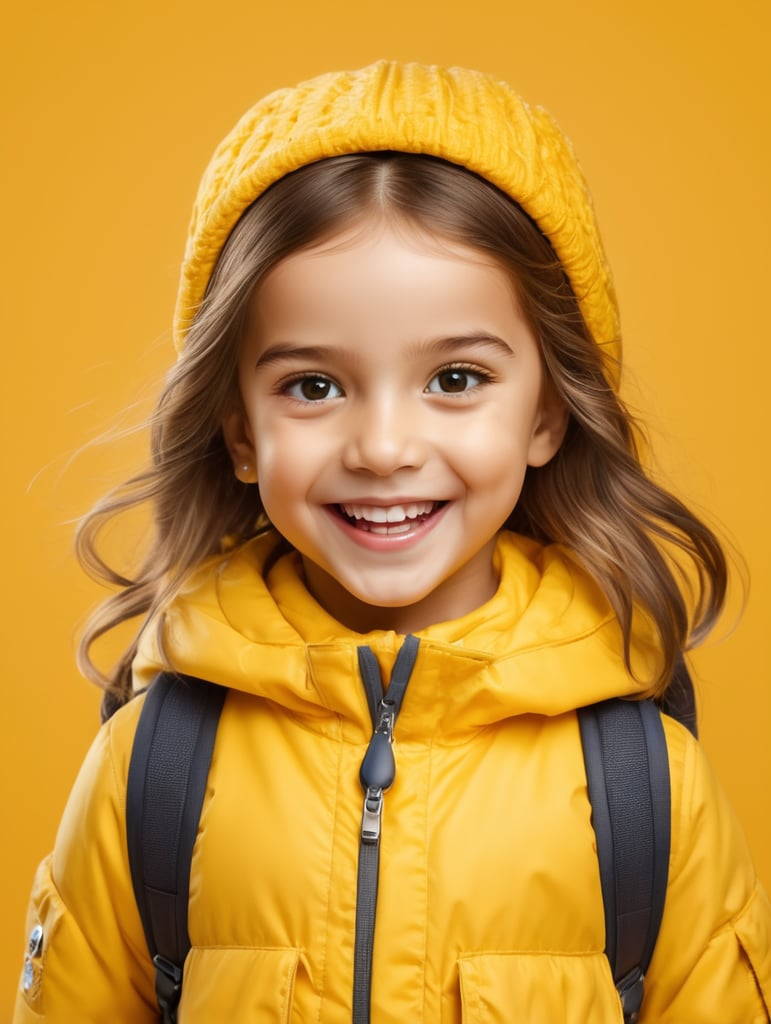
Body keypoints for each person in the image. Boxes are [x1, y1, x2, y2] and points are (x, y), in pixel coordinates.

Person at [14, 61, 771, 1023]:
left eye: (454, 379)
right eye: (313, 386)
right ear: (240, 431)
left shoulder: (646, 783)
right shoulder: (149, 769)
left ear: (547, 414)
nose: (381, 449)